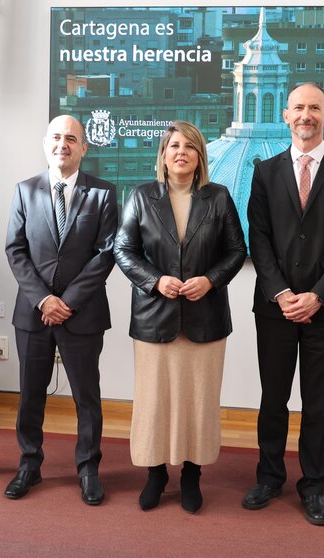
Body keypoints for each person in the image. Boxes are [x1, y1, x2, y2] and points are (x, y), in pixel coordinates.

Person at [243, 82, 324, 525]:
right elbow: (258, 236)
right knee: (273, 399)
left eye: (315, 108)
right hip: (274, 307)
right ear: (286, 114)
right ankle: (269, 476)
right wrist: (281, 292)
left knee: (318, 403)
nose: (306, 115)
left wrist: (318, 294)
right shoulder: (265, 171)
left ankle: (313, 485)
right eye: (298, 107)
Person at [114, 120, 246, 513]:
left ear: (200, 156)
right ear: (163, 154)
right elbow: (123, 250)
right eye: (174, 146)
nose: (181, 152)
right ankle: (155, 474)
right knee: (155, 401)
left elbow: (236, 251)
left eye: (190, 146)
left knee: (198, 401)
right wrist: (155, 281)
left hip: (205, 319)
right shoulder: (140, 196)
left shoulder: (219, 197)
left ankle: (191, 474)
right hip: (156, 317)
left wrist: (210, 280)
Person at [3, 115, 118, 505]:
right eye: (56, 137)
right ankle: (29, 465)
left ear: (84, 147)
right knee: (30, 394)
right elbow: (15, 250)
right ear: (44, 142)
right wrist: (44, 300)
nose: (62, 144)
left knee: (87, 397)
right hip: (33, 313)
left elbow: (105, 255)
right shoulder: (24, 191)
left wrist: (66, 302)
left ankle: (88, 469)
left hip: (81, 313)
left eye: (72, 138)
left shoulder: (103, 193)